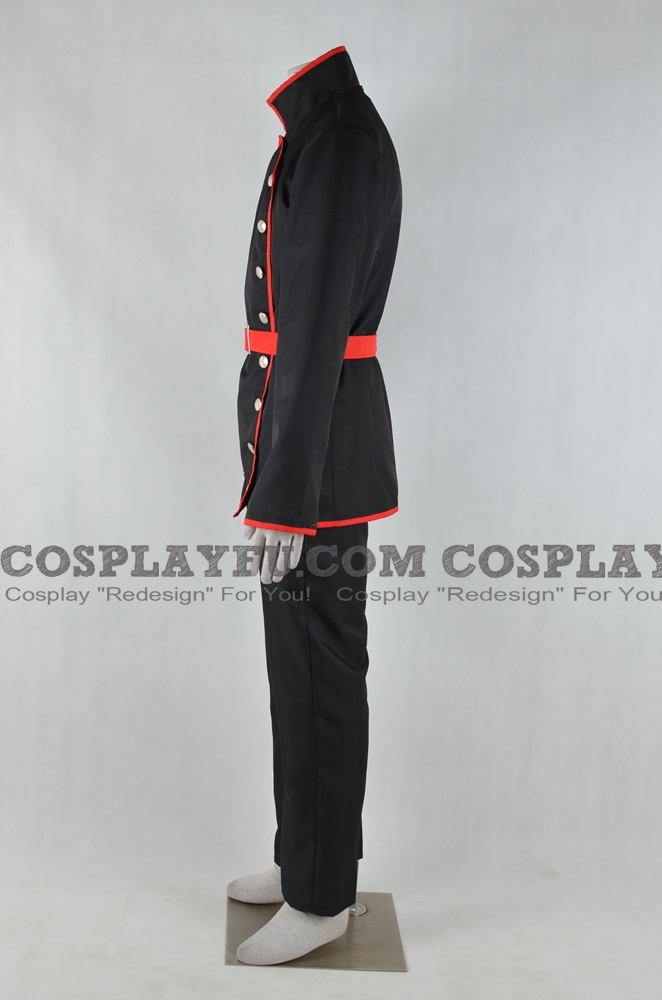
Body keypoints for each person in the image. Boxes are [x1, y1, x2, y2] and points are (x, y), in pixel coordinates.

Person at [228, 45, 402, 966]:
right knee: (296, 668)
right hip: (306, 448)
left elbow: (317, 325)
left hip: (318, 460)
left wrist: (285, 497)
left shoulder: (336, 139)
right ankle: (306, 857)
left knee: (320, 671)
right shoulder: (321, 129)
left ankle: (324, 896)